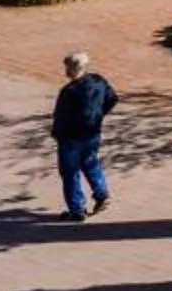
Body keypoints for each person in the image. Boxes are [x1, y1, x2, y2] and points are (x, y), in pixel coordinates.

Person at [50, 51, 120, 220]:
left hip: (71, 138)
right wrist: (99, 115)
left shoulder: (69, 91)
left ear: (71, 69)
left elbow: (61, 117)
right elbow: (112, 98)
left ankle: (77, 209)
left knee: (70, 172)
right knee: (90, 162)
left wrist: (57, 134)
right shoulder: (98, 81)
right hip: (91, 134)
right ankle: (101, 194)